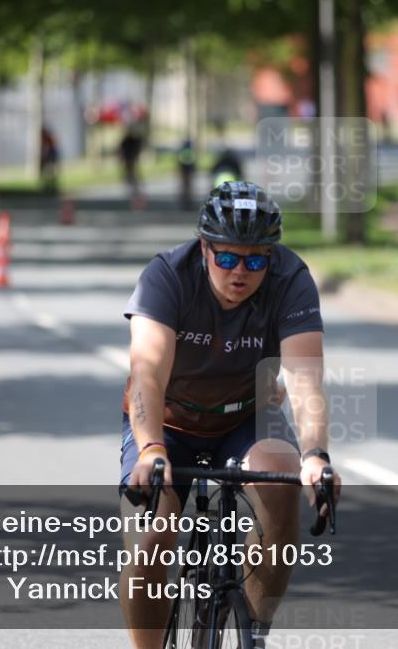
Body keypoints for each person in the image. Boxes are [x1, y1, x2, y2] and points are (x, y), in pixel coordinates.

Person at [120, 181, 340, 649]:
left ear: (270, 257)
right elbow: (147, 375)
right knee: (151, 537)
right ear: (205, 249)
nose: (241, 271)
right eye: (227, 258)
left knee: (280, 476)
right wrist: (151, 449)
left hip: (246, 416)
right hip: (168, 425)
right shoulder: (167, 277)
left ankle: (255, 629)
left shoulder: (291, 279)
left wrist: (316, 454)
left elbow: (304, 378)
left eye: (255, 260)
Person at [176, 137, 196, 211]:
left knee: (185, 186)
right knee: (188, 186)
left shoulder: (183, 151)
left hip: (185, 169)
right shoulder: (190, 151)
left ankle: (185, 200)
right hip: (188, 169)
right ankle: (187, 201)